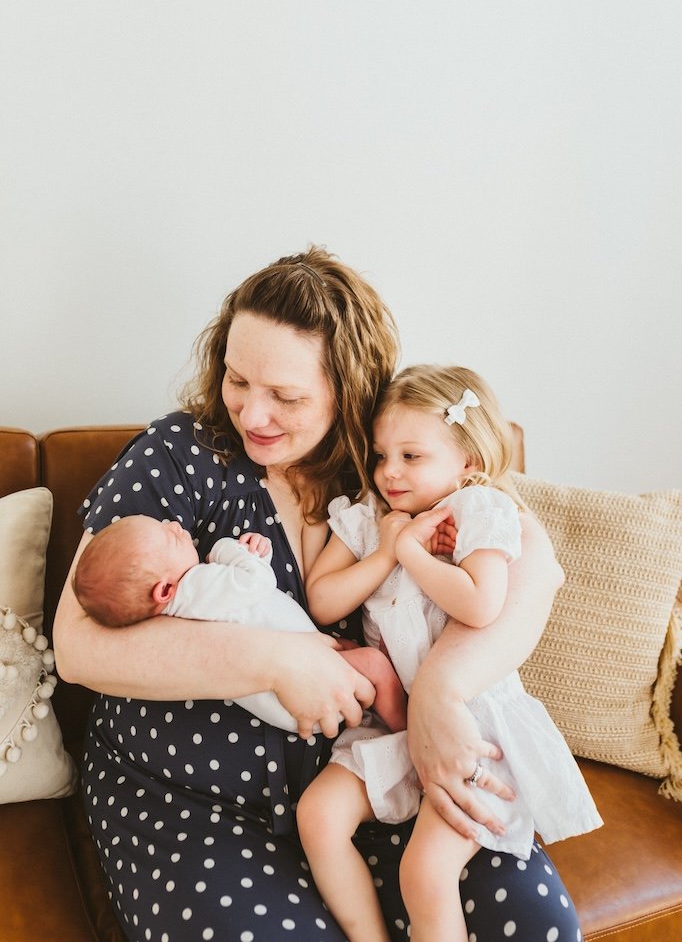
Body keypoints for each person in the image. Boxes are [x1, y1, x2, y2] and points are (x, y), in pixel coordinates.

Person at [53, 245, 583, 942]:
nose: (252, 412)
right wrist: (275, 661)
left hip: (366, 775)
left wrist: (439, 694)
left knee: (533, 920)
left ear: (348, 392)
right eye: (237, 379)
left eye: (288, 396)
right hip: (188, 798)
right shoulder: (179, 454)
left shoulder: (387, 462)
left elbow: (535, 566)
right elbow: (77, 644)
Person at [300, 364, 602, 942]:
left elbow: (481, 605)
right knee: (317, 817)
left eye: (411, 457)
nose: (389, 472)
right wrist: (387, 551)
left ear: (467, 462)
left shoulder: (477, 512)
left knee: (425, 872)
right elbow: (321, 598)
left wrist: (415, 555)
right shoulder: (369, 517)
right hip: (392, 723)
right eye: (381, 454)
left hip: (473, 727)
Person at [72, 515, 407, 735]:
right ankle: (407, 735)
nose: (175, 525)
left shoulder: (180, 607)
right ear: (164, 590)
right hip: (309, 694)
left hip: (294, 697)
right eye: (170, 538)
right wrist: (227, 549)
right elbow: (257, 582)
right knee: (376, 664)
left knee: (359, 658)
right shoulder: (196, 585)